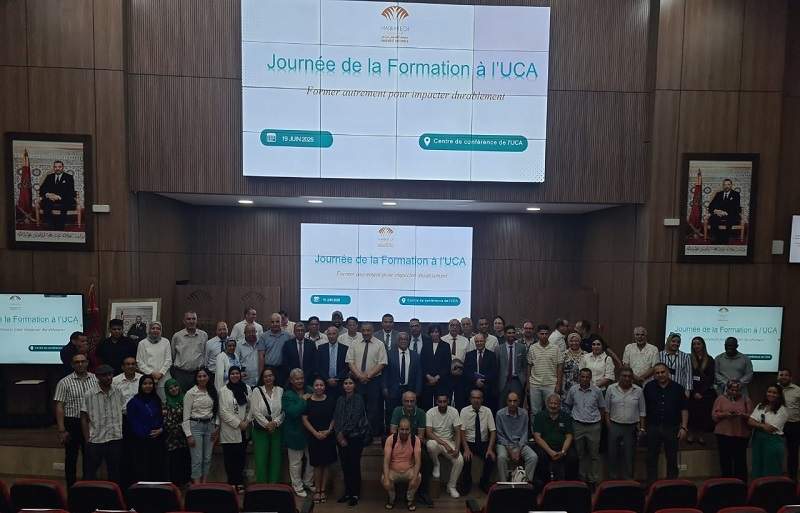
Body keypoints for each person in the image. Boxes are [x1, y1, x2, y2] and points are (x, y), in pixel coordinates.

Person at [54, 353, 97, 487]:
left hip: (90, 423)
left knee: (89, 456)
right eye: (77, 362)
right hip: (72, 422)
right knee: (71, 457)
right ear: (72, 365)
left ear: (87, 363)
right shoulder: (64, 382)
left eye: (83, 361)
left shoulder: (95, 379)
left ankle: (87, 486)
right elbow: (59, 406)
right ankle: (71, 488)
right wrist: (61, 429)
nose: (80, 364)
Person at [643, 363, 688, 483]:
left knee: (672, 458)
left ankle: (671, 485)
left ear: (668, 372)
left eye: (662, 372)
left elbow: (684, 408)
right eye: (657, 373)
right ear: (654, 375)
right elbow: (643, 409)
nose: (660, 375)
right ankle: (652, 485)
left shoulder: (678, 388)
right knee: (651, 458)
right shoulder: (648, 387)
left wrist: (684, 427)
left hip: (672, 427)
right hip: (653, 427)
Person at [388, 391, 433, 507]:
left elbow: (421, 436)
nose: (409, 404)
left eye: (412, 401)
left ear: (415, 401)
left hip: (414, 443)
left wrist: (409, 443)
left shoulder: (421, 413)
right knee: (386, 443)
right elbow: (393, 431)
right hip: (398, 441)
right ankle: (392, 491)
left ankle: (423, 493)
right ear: (402, 401)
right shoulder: (397, 411)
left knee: (426, 459)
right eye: (406, 401)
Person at [81, 365, 124, 484]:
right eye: (104, 375)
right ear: (97, 377)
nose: (108, 377)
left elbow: (123, 411)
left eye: (110, 374)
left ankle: (114, 495)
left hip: (115, 438)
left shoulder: (118, 391)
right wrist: (87, 439)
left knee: (115, 473)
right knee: (90, 473)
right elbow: (84, 417)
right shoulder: (89, 394)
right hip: (96, 440)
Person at [564, 368, 605, 489]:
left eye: (587, 377)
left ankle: (593, 481)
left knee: (594, 455)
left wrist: (599, 422)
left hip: (594, 426)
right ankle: (581, 480)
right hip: (578, 425)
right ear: (579, 377)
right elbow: (568, 405)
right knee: (580, 455)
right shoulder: (573, 390)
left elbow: (602, 408)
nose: (585, 379)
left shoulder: (597, 391)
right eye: (583, 377)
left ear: (590, 378)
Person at [347, 322, 388, 439]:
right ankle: (358, 432)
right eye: (364, 330)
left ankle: (371, 434)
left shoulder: (379, 344)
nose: (366, 333)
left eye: (368, 330)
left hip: (374, 381)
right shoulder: (354, 343)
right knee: (357, 407)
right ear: (361, 331)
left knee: (373, 408)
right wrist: (359, 376)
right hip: (357, 381)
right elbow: (350, 362)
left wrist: (368, 376)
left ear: (372, 331)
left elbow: (382, 363)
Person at [605, 366, 646, 480]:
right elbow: (607, 410)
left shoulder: (638, 390)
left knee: (629, 455)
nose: (627, 378)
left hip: (631, 427)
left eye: (629, 376)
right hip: (614, 425)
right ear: (619, 377)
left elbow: (642, 411)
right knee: (612, 455)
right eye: (624, 376)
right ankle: (613, 480)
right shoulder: (611, 389)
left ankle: (628, 480)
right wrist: (609, 426)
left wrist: (642, 428)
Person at [334, 376, 368, 507]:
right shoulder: (340, 399)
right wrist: (338, 434)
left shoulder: (358, 399)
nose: (348, 385)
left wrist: (342, 433)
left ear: (355, 385)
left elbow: (355, 419)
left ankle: (355, 494)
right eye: (345, 383)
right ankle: (347, 492)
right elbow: (336, 417)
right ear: (343, 386)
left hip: (355, 437)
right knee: (345, 466)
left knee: (354, 466)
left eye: (350, 383)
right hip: (341, 438)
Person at [303, 377, 337, 504]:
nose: (319, 387)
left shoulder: (331, 400)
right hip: (314, 437)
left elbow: (334, 417)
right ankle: (317, 490)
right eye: (316, 385)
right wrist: (315, 433)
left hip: (328, 436)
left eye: (321, 385)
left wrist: (329, 430)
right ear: (313, 387)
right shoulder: (308, 401)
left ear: (325, 387)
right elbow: (304, 419)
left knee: (327, 464)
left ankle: (323, 490)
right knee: (317, 465)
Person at [182, 368, 219, 483]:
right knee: (197, 459)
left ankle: (204, 484)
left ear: (208, 377)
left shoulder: (212, 391)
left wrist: (216, 427)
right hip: (195, 427)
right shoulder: (190, 393)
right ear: (196, 378)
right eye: (199, 376)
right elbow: (185, 416)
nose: (202, 378)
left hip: (210, 426)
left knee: (207, 458)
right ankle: (197, 486)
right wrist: (189, 435)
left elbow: (216, 411)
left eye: (204, 376)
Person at [126, 375, 165, 482]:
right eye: (145, 384)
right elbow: (133, 422)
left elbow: (161, 418)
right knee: (143, 468)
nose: (148, 386)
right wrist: (147, 433)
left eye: (150, 383)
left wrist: (161, 429)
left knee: (156, 468)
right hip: (141, 442)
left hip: (157, 440)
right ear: (140, 386)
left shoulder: (156, 399)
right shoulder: (133, 402)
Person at [712, 380, 752, 482]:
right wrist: (725, 414)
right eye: (732, 389)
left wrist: (742, 415)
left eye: (737, 390)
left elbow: (751, 417)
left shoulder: (746, 399)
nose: (734, 392)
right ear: (727, 389)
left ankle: (741, 483)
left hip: (741, 434)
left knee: (740, 461)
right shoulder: (720, 399)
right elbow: (714, 416)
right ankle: (727, 483)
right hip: (723, 434)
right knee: (725, 460)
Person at [219, 366, 251, 492]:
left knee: (241, 458)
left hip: (244, 429)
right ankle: (232, 483)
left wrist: (246, 421)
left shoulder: (247, 388)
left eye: (237, 373)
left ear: (240, 375)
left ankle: (240, 482)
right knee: (229, 459)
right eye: (232, 373)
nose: (235, 375)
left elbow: (251, 407)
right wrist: (238, 423)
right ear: (229, 375)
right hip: (229, 430)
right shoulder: (223, 390)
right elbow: (223, 412)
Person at [425, 393, 463, 499]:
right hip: (436, 441)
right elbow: (429, 433)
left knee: (459, 460)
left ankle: (451, 486)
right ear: (436, 402)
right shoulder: (430, 412)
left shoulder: (454, 411)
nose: (442, 404)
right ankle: (436, 464)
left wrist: (457, 448)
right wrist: (444, 444)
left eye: (444, 401)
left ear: (448, 401)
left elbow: (458, 432)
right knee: (430, 444)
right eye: (440, 402)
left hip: (450, 441)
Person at [250, 367, 284, 483]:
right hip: (260, 430)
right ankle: (262, 487)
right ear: (262, 378)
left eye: (270, 375)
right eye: (265, 376)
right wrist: (267, 424)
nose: (268, 378)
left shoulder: (280, 390)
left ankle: (274, 486)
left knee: (276, 459)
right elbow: (255, 411)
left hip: (276, 429)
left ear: (274, 377)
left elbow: (283, 411)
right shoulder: (256, 391)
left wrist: (275, 423)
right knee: (261, 459)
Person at [283, 368, 314, 497]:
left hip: (310, 431)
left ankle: (308, 482)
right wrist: (303, 400)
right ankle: (297, 486)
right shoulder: (287, 394)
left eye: (301, 378)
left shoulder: (310, 389)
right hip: (294, 433)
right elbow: (293, 412)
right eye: (297, 379)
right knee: (296, 462)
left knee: (312, 460)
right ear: (291, 380)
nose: (300, 381)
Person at [532, 394, 576, 482]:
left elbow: (569, 436)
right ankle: (544, 484)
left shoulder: (566, 416)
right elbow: (537, 437)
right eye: (551, 403)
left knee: (573, 457)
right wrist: (551, 452)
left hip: (562, 448)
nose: (553, 406)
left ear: (560, 405)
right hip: (545, 448)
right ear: (547, 404)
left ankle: (570, 484)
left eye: (555, 403)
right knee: (541, 456)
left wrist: (563, 452)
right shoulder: (539, 416)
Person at [495, 392, 537, 483]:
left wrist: (518, 450)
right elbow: (500, 435)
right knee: (501, 457)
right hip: (504, 444)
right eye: (510, 401)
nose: (512, 403)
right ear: (506, 402)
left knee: (533, 457)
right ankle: (504, 483)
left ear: (518, 402)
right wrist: (510, 451)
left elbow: (525, 433)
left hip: (520, 443)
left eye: (515, 401)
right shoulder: (500, 414)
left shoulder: (524, 413)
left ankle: (525, 482)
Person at [460, 389, 496, 494]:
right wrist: (466, 449)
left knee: (491, 458)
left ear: (482, 399)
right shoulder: (464, 411)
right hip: (468, 442)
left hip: (483, 442)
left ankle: (484, 482)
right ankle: (466, 483)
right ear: (470, 399)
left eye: (478, 398)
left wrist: (490, 449)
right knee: (466, 458)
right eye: (474, 398)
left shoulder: (487, 411)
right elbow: (462, 431)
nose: (476, 400)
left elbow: (493, 431)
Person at [749, 384, 789, 478]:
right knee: (757, 466)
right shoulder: (760, 405)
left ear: (779, 395)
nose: (771, 394)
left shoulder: (782, 410)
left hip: (772, 441)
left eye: (774, 393)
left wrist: (757, 424)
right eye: (769, 392)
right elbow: (750, 421)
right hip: (757, 440)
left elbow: (770, 429)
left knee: (771, 468)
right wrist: (763, 425)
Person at [384, 332, 422, 430]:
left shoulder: (415, 355)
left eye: (405, 339)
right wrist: (384, 387)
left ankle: (409, 434)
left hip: (410, 389)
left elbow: (419, 374)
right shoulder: (389, 354)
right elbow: (385, 372)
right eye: (401, 339)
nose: (403, 341)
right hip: (393, 390)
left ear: (409, 341)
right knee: (391, 412)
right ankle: (391, 435)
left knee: (409, 413)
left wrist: (417, 390)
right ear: (397, 341)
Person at [382, 417, 422, 511]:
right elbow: (386, 461)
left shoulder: (415, 439)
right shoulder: (391, 439)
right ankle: (392, 499)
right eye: (402, 429)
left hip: (408, 470)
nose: (404, 432)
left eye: (407, 429)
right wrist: (386, 478)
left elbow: (418, 462)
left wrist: (414, 478)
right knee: (384, 478)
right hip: (393, 471)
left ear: (410, 429)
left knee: (418, 477)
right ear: (398, 429)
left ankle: (409, 499)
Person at [527, 323, 563, 417]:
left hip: (551, 384)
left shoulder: (556, 348)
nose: (544, 336)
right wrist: (528, 384)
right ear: (537, 334)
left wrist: (558, 384)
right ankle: (535, 427)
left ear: (549, 334)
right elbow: (529, 366)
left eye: (546, 334)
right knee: (535, 412)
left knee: (552, 410)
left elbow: (560, 367)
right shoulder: (532, 348)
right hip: (535, 385)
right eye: (541, 334)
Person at [687, 336, 716, 444]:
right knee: (692, 414)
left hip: (705, 393)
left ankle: (700, 435)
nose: (696, 346)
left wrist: (701, 392)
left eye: (698, 344)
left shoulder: (710, 359)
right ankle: (690, 434)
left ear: (703, 345)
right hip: (691, 392)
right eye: (694, 344)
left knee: (703, 414)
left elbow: (711, 378)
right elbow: (687, 376)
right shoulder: (689, 359)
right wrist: (694, 392)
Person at [171, 312, 209, 393]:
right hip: (181, 374)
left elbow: (205, 353)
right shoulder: (177, 336)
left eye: (193, 319)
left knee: (197, 397)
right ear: (184, 321)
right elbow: (173, 355)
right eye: (188, 319)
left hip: (198, 374)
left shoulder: (204, 335)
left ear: (196, 320)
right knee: (181, 397)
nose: (191, 321)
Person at [163, 378, 191, 487]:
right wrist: (182, 428)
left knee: (186, 460)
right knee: (175, 461)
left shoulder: (185, 399)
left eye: (175, 386)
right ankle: (176, 485)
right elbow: (167, 423)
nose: (174, 389)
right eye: (170, 388)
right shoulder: (166, 404)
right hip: (173, 439)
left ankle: (186, 482)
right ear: (167, 391)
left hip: (186, 437)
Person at [136, 321, 172, 400]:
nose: (155, 330)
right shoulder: (142, 343)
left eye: (158, 328)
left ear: (161, 330)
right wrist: (152, 373)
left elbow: (168, 360)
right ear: (149, 330)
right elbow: (139, 362)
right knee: (148, 401)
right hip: (148, 379)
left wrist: (160, 373)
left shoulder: (166, 342)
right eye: (153, 328)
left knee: (163, 402)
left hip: (163, 378)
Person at [463, 333, 498, 412]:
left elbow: (494, 372)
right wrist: (476, 381)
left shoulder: (491, 355)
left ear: (485, 341)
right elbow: (466, 371)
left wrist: (482, 380)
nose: (479, 343)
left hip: (487, 387)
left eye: (481, 341)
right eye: (477, 341)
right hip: (472, 386)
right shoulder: (469, 355)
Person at [420, 324, 451, 410]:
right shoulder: (425, 345)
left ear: (440, 333)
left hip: (441, 381)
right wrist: (428, 376)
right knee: (427, 405)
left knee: (440, 406)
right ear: (429, 333)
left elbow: (447, 365)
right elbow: (422, 363)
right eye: (432, 332)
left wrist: (437, 377)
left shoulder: (446, 346)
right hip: (427, 381)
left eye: (436, 332)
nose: (434, 334)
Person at [39, 159, 76, 230]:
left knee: (66, 203)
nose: (57, 168)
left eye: (59, 167)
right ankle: (51, 225)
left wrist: (58, 196)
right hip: (51, 198)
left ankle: (60, 226)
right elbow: (42, 189)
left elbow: (70, 191)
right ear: (53, 168)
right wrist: (48, 194)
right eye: (55, 167)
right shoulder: (49, 177)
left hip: (64, 198)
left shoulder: (69, 177)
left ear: (63, 167)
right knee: (46, 203)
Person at [497, 325, 527, 408]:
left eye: (513, 333)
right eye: (509, 333)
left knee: (517, 405)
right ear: (505, 334)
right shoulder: (499, 348)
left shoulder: (521, 347)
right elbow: (497, 367)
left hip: (517, 380)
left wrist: (524, 379)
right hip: (503, 381)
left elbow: (524, 365)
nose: (511, 335)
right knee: (502, 405)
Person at [316, 325, 349, 402]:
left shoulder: (345, 348)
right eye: (329, 334)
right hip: (325, 382)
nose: (331, 336)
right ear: (327, 335)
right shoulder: (321, 348)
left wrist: (336, 379)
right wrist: (327, 379)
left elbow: (346, 367)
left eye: (334, 334)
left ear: (338, 335)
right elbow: (318, 366)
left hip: (340, 382)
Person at [778, 369, 800, 480]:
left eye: (786, 375)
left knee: (793, 453)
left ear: (790, 377)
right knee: (777, 451)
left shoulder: (797, 390)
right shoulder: (774, 389)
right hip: (777, 425)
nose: (783, 377)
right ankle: (776, 478)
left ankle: (793, 479)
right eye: (781, 375)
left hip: (794, 425)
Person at [707, 178, 742, 244]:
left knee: (730, 219)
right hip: (719, 214)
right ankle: (716, 238)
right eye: (725, 184)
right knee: (713, 218)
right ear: (723, 186)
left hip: (730, 214)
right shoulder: (718, 194)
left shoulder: (736, 194)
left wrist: (726, 212)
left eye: (728, 184)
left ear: (731, 185)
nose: (726, 186)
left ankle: (725, 239)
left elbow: (736, 207)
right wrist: (716, 211)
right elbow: (711, 206)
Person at [659, 333, 693, 397]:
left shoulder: (685, 356)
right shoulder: (660, 355)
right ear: (668, 342)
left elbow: (688, 374)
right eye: (673, 341)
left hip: (679, 389)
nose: (676, 344)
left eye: (678, 342)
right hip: (663, 388)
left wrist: (687, 390)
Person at [261, 313, 291, 383]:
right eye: (272, 322)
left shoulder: (288, 336)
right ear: (269, 323)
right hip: (268, 369)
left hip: (282, 370)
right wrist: (261, 373)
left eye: (277, 321)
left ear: (281, 322)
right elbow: (261, 356)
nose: (275, 324)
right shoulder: (263, 336)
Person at [561, 332, 587, 398]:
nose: (574, 343)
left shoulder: (586, 354)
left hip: (581, 385)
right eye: (571, 341)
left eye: (576, 341)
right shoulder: (563, 355)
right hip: (566, 384)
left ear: (580, 342)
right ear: (568, 342)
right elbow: (560, 370)